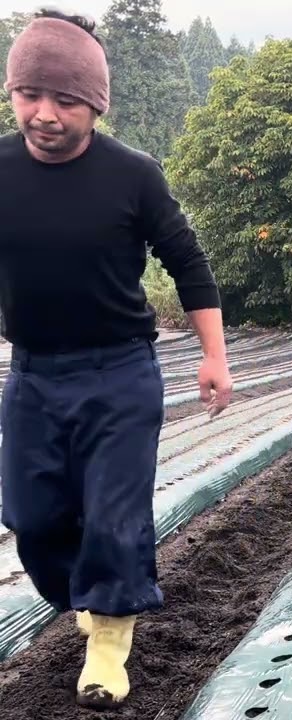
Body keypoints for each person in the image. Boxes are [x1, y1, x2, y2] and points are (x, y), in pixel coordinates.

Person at [0, 8, 233, 709]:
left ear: (95, 106)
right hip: (34, 373)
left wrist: (214, 357)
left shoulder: (133, 176)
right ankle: (87, 598)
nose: (44, 114)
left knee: (112, 515)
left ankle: (108, 639)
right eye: (28, 96)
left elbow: (189, 266)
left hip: (120, 371)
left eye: (65, 101)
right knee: (33, 520)